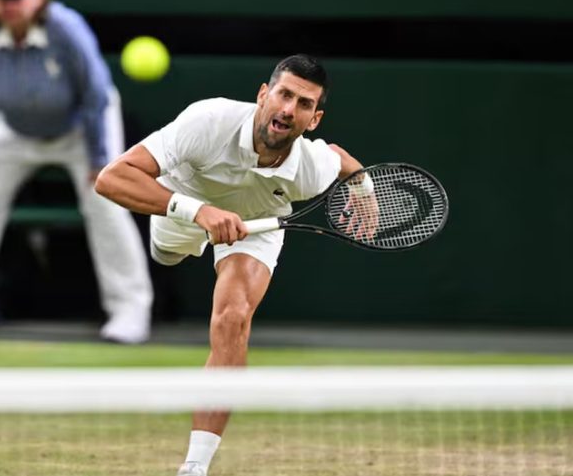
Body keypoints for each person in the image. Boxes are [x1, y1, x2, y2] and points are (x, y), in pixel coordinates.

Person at [95, 54, 379, 475]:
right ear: (263, 95)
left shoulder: (310, 169)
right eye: (283, 94)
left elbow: (338, 157)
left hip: (257, 225)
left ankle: (194, 466)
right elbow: (110, 179)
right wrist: (198, 212)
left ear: (313, 120)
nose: (288, 110)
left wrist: (363, 183)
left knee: (233, 319)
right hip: (182, 208)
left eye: (303, 104)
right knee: (166, 254)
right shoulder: (208, 121)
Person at [0, 0, 153, 344]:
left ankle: (130, 310)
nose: (9, 3)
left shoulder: (67, 29)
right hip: (13, 130)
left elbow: (95, 95)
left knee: (106, 203)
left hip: (82, 129)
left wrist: (100, 162)